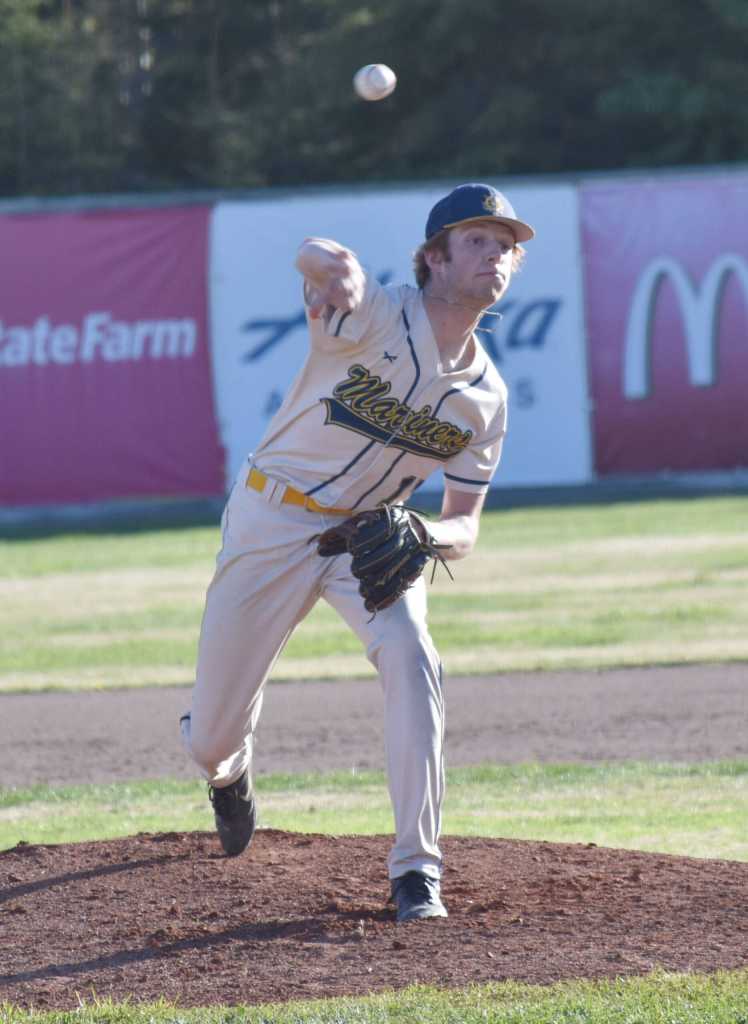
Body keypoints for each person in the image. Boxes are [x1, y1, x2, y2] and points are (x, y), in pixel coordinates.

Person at [180, 182, 534, 923]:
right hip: (273, 518)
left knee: (414, 657)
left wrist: (423, 535)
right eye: (476, 240)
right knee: (209, 736)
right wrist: (331, 268)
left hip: (371, 539)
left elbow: (464, 525)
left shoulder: (487, 398)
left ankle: (417, 871)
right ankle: (229, 772)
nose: (494, 255)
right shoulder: (373, 315)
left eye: (505, 246)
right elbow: (317, 255)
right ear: (434, 259)